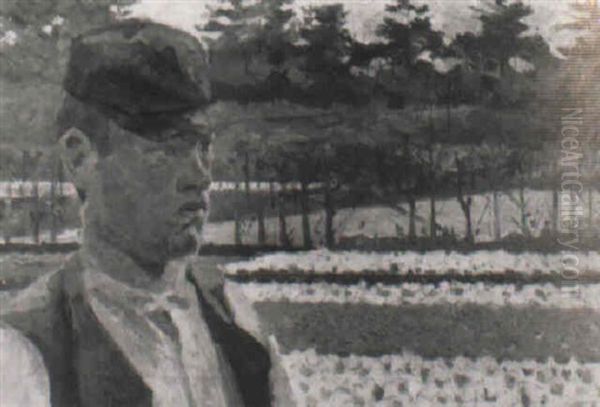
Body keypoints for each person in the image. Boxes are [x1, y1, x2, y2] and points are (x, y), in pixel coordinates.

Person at [0, 20, 270, 407]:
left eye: (202, 146)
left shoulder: (235, 322)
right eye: (167, 147)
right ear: (80, 158)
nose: (200, 176)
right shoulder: (27, 350)